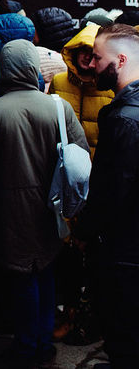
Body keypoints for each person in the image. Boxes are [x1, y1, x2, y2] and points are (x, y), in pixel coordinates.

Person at [0, 40, 87, 368]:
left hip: (8, 207)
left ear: (4, 70)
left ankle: (25, 350)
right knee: (45, 272)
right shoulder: (59, 107)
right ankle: (42, 344)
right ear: (33, 68)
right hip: (51, 205)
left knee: (21, 279)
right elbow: (79, 155)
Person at [77, 23, 139, 368]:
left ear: (121, 60)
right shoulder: (125, 112)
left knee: (123, 330)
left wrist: (86, 230)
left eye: (98, 58)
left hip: (124, 247)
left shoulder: (125, 120)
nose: (91, 65)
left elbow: (113, 191)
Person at [50, 22, 114, 152]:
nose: (87, 57)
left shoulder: (109, 88)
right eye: (84, 50)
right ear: (75, 51)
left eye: (92, 52)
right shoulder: (58, 81)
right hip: (65, 158)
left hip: (97, 159)